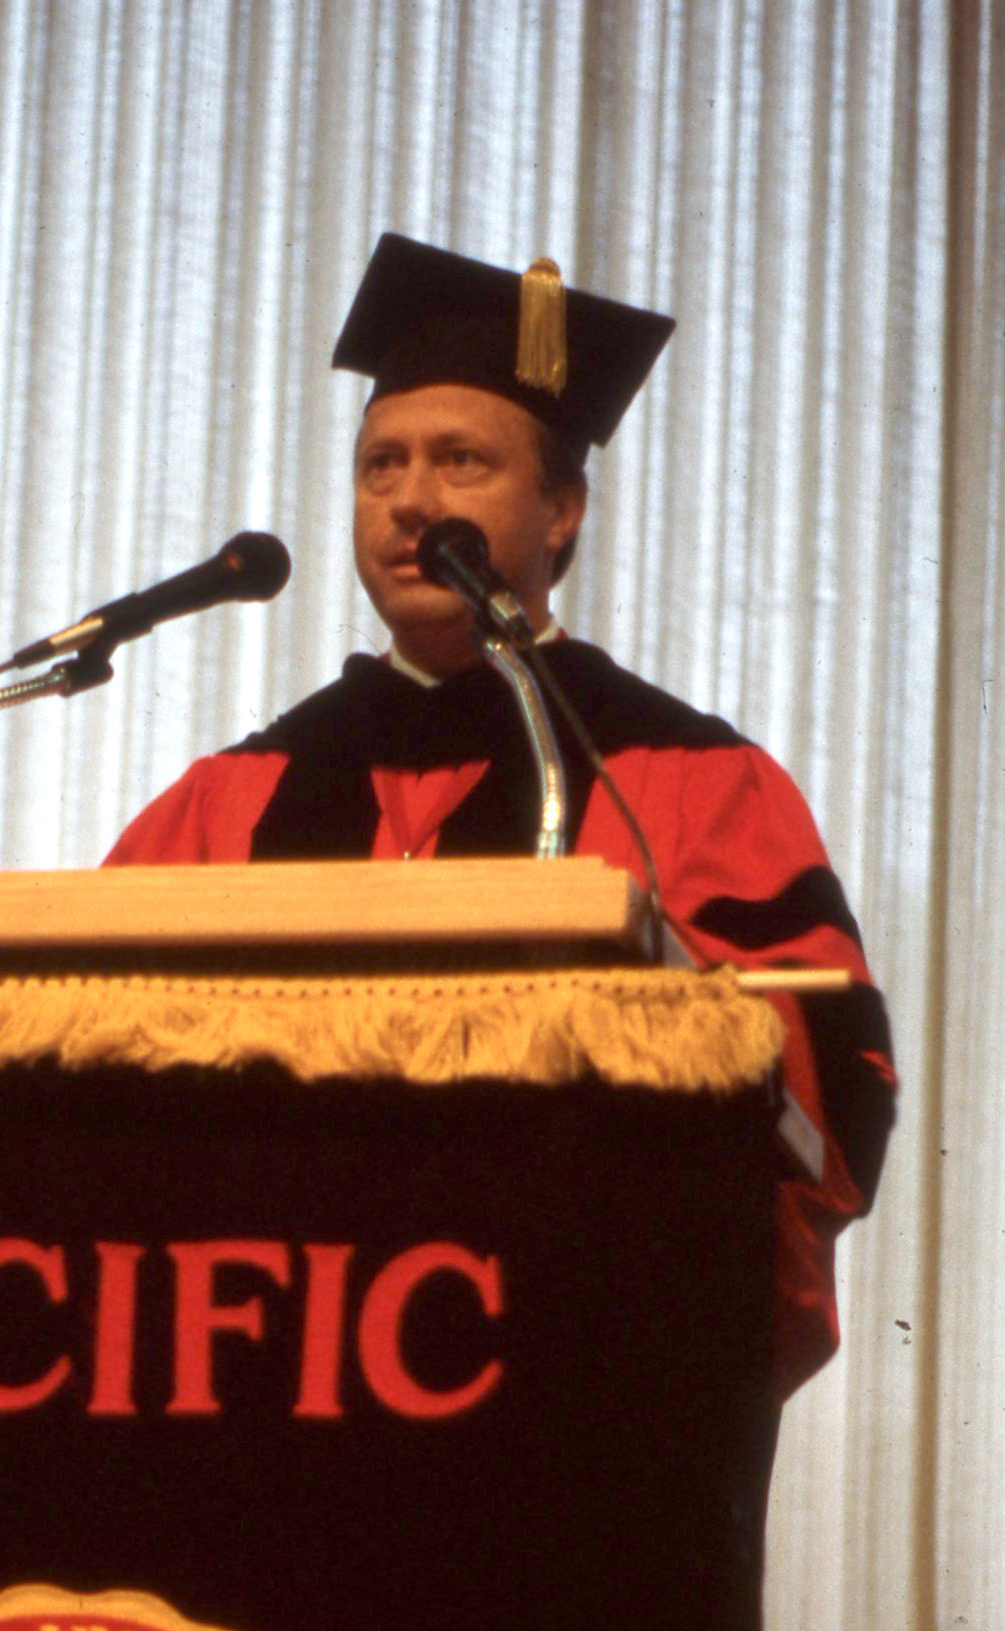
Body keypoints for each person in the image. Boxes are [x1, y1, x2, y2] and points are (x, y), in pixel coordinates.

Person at [104, 234, 895, 1396]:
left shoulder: (693, 782)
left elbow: (823, 1099)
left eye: (460, 461)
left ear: (560, 511)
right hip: (254, 1372)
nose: (409, 500)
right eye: (379, 466)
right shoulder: (232, 796)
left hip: (565, 1381)